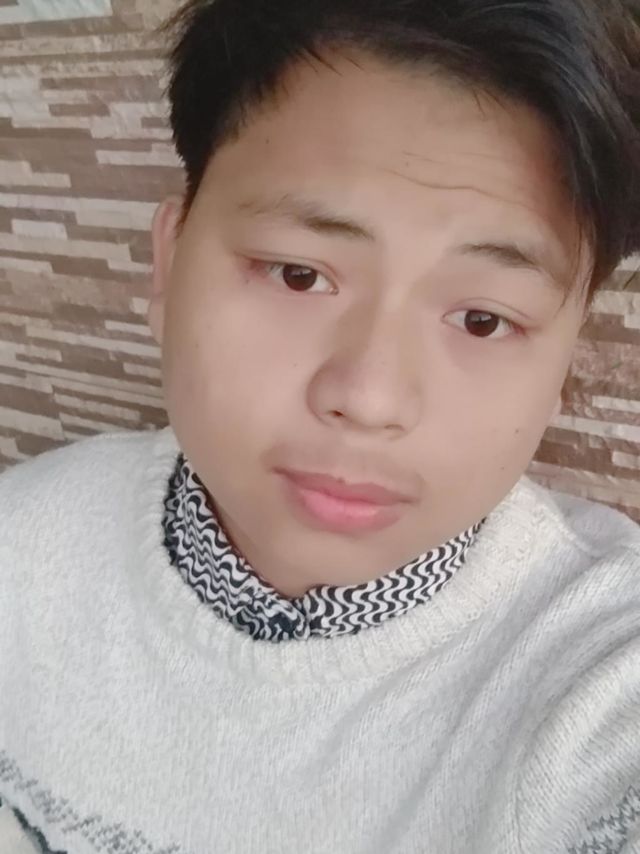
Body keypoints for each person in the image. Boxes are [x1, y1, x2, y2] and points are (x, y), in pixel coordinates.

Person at [1, 0, 639, 852]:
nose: (369, 397)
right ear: (168, 263)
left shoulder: (601, 681)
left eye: (483, 320)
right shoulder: (22, 548)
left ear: (563, 364)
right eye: (299, 275)